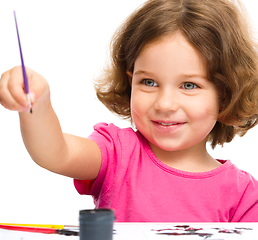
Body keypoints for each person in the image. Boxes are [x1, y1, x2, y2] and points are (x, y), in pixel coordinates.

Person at [1, 0, 258, 222]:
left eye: (189, 85)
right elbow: (56, 153)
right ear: (130, 81)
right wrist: (37, 103)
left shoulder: (244, 195)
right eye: (149, 82)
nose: (165, 104)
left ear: (225, 96)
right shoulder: (117, 153)